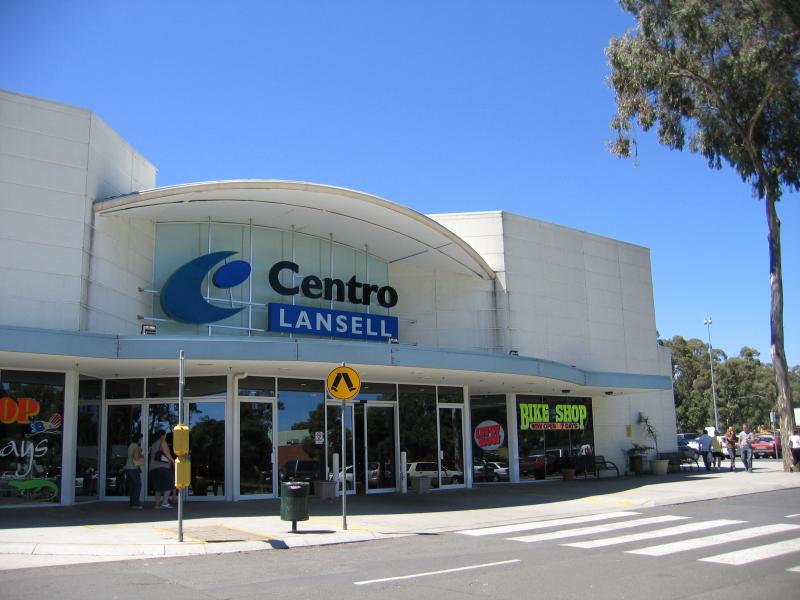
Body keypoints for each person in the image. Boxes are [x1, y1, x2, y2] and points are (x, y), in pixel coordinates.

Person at [148, 429, 175, 509]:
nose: (166, 436)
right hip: (163, 467)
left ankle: (157, 504)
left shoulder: (153, 444)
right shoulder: (162, 441)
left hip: (153, 468)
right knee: (170, 484)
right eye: (165, 435)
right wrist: (173, 461)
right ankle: (165, 503)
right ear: (163, 435)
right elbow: (166, 453)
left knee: (158, 486)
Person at [124, 432, 144, 509]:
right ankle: (136, 504)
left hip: (128, 468)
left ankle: (132, 504)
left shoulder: (131, 446)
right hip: (133, 468)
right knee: (138, 485)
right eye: (141, 439)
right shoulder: (136, 446)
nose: (141, 440)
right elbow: (136, 458)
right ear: (138, 439)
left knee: (133, 487)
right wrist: (140, 454)